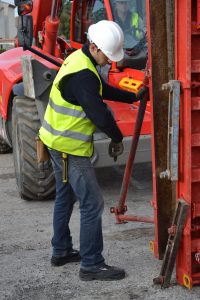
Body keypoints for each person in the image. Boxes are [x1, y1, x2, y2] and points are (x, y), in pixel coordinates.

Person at [39, 20, 148, 281]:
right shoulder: (84, 74)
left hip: (55, 142)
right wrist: (117, 137)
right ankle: (91, 264)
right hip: (69, 148)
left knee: (65, 198)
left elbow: (100, 91)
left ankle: (62, 250)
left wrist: (132, 96)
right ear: (94, 46)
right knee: (92, 203)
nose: (110, 61)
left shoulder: (80, 59)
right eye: (107, 56)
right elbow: (99, 113)